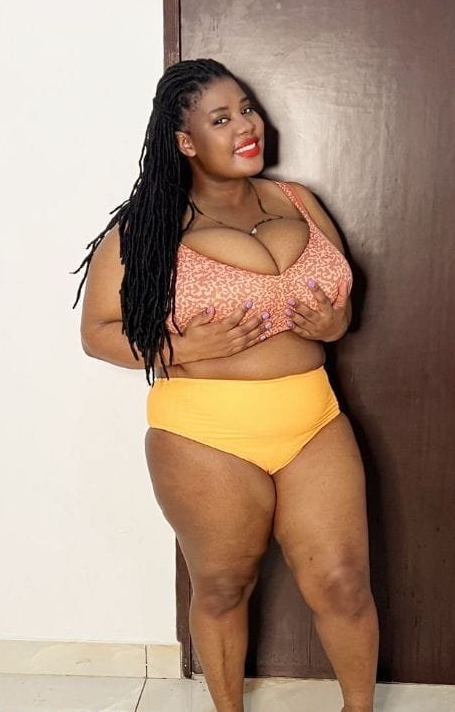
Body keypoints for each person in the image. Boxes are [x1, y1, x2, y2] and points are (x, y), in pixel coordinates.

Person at [72, 59, 379, 712]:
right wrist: (184, 346)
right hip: (205, 435)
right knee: (222, 588)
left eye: (246, 108)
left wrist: (335, 321)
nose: (246, 126)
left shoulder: (297, 200)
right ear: (185, 142)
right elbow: (97, 332)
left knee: (343, 582)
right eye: (221, 119)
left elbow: (341, 302)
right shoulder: (148, 226)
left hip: (313, 420)